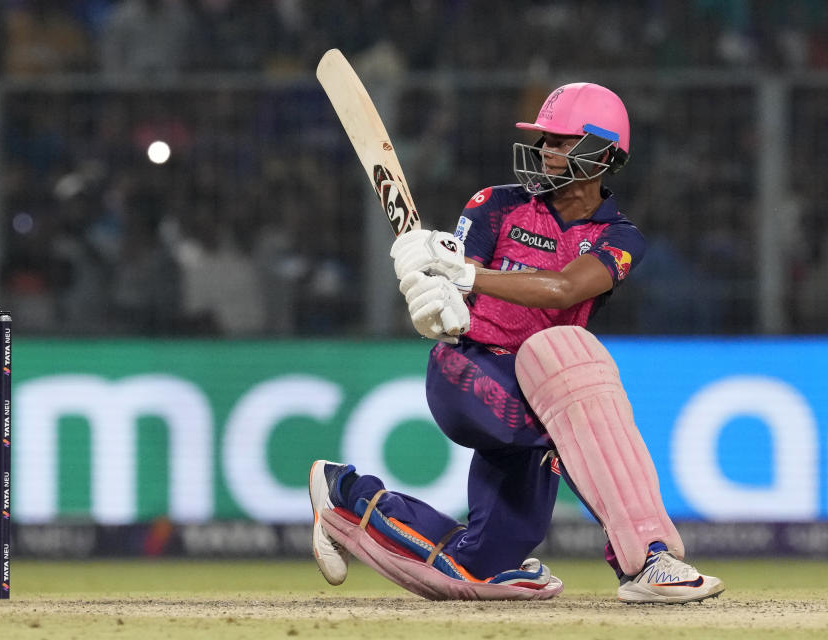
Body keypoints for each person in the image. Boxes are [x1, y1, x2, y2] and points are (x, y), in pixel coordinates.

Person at [308, 82, 725, 604]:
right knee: (570, 358)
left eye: (561, 141)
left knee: (479, 569)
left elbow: (567, 287)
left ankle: (345, 499)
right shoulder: (497, 205)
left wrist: (463, 277)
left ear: (604, 152)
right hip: (470, 369)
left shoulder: (620, 237)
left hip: (542, 397)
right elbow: (454, 282)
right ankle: (647, 559)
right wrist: (433, 297)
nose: (546, 151)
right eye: (544, 140)